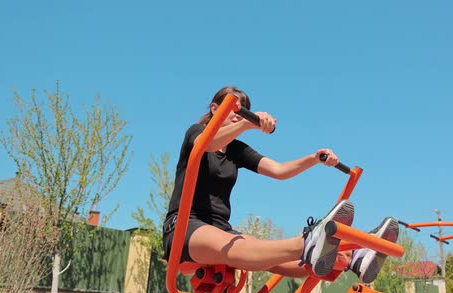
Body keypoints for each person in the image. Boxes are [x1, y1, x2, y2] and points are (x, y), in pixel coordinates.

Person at [162, 86, 398, 282]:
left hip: (221, 229)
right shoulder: (197, 132)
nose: (239, 115)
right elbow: (208, 144)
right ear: (215, 109)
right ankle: (313, 239)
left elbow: (279, 170)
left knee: (290, 264)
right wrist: (247, 124)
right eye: (235, 109)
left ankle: (352, 256)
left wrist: (314, 159)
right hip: (185, 225)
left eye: (243, 112)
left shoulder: (236, 150)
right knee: (239, 250)